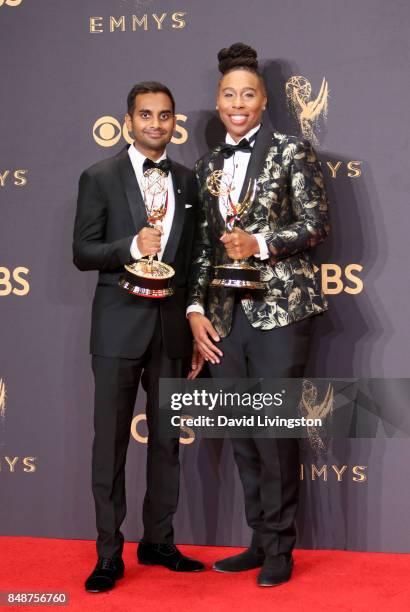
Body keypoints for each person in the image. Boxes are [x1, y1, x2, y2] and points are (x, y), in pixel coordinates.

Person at [187, 43, 330, 587]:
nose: (238, 103)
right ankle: (258, 539)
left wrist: (262, 243)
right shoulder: (206, 167)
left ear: (265, 100)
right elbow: (202, 247)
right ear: (218, 102)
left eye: (248, 93)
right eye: (229, 95)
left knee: (273, 432)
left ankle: (281, 550)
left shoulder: (293, 151)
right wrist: (197, 309)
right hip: (225, 318)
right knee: (242, 434)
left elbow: (316, 223)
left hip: (281, 313)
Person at [73, 81, 204, 593]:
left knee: (168, 442)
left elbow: (194, 258)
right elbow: (83, 252)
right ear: (128, 121)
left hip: (171, 329)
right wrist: (129, 245)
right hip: (117, 327)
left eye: (165, 115)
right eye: (146, 115)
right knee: (109, 444)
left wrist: (193, 320)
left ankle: (159, 540)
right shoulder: (99, 176)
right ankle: (109, 553)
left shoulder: (190, 182)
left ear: (175, 123)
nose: (156, 124)